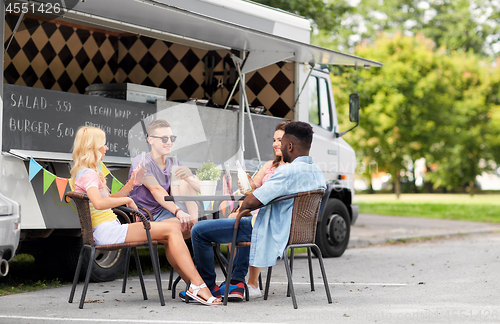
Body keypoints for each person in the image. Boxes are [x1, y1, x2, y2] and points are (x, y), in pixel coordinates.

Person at [70, 126, 220, 306]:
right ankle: (198, 285)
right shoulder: (88, 174)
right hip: (107, 231)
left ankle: (195, 285)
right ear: (92, 146)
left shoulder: (87, 172)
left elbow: (109, 199)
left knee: (172, 230)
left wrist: (132, 183)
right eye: (103, 144)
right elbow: (99, 203)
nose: (106, 148)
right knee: (172, 229)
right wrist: (127, 199)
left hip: (110, 228)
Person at [190, 121, 326, 301]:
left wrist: (244, 208)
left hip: (272, 230)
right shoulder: (316, 171)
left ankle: (206, 287)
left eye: (283, 143)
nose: (280, 147)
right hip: (297, 233)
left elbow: (253, 200)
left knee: (199, 230)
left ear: (290, 146)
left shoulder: (287, 171)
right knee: (244, 224)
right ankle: (236, 283)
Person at [228, 121, 288, 298]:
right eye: (274, 139)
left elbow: (269, 195)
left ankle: (250, 282)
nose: (275, 144)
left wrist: (254, 191)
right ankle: (237, 279)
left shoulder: (290, 169)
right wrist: (247, 182)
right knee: (233, 220)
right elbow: (253, 188)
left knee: (240, 223)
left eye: (280, 140)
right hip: (258, 208)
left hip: (273, 214)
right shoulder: (270, 165)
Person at [127, 119, 199, 238]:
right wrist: (178, 212)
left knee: (186, 183)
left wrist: (189, 177)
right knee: (180, 227)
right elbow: (156, 190)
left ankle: (197, 226)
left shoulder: (173, 162)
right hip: (150, 216)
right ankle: (197, 229)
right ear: (150, 140)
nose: (169, 142)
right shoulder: (142, 161)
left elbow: (203, 189)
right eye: (164, 139)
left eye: (172, 138)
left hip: (169, 211)